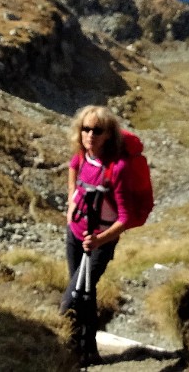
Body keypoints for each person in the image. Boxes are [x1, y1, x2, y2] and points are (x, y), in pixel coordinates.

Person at [60, 105, 131, 363]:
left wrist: (100, 239)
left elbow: (126, 218)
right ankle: (87, 350)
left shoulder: (117, 168)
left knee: (70, 300)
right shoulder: (83, 155)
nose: (90, 135)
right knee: (85, 292)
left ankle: (63, 352)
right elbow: (72, 167)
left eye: (97, 130)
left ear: (108, 135)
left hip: (100, 242)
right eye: (85, 129)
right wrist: (71, 200)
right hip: (75, 234)